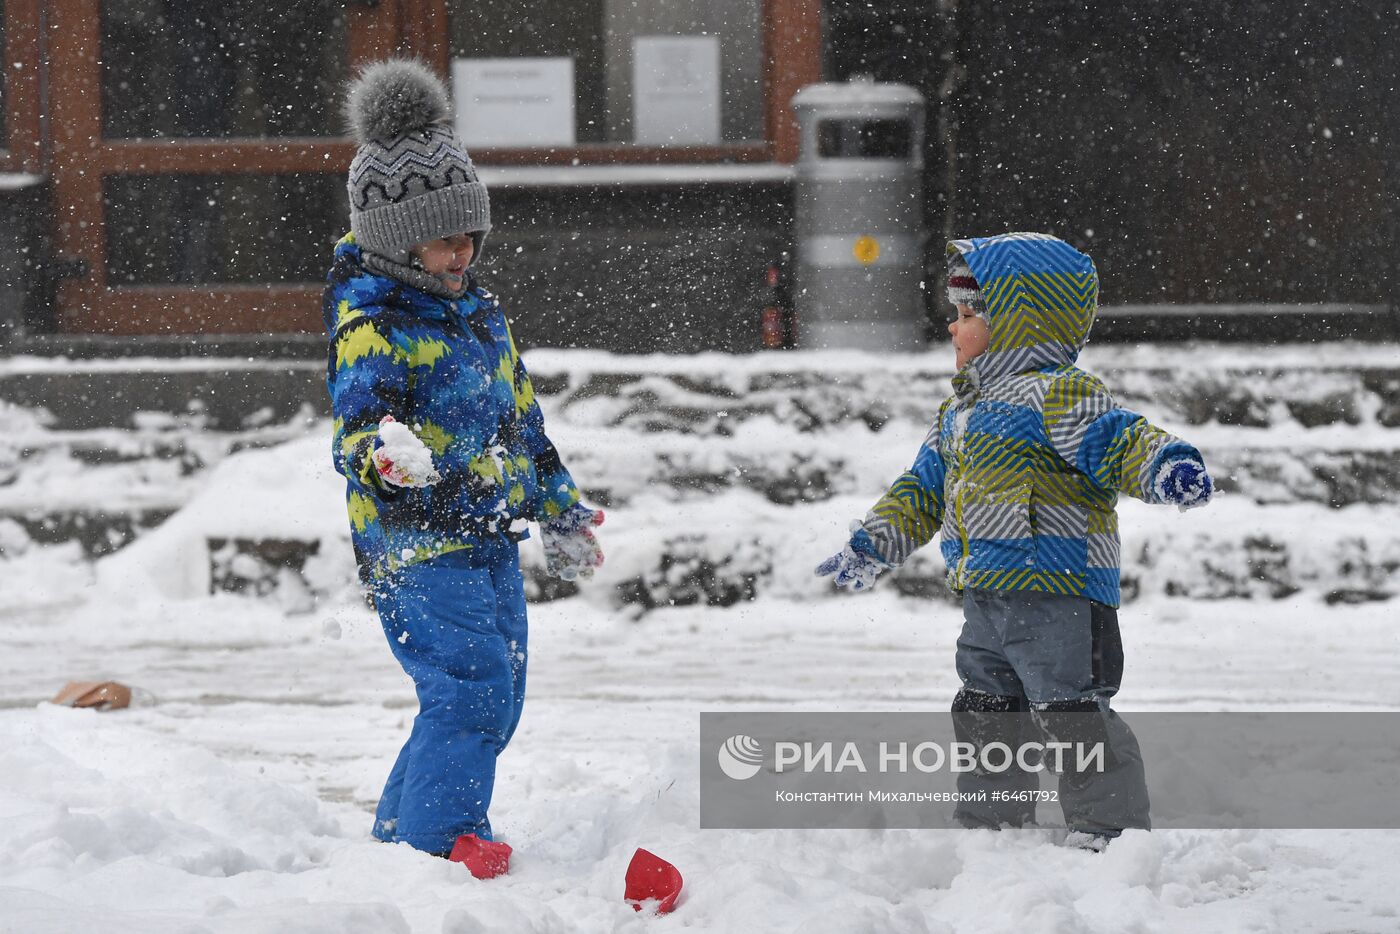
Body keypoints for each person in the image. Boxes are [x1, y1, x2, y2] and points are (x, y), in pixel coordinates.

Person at [816, 233, 1213, 848]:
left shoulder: (1057, 394)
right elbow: (921, 489)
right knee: (985, 711)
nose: (955, 328)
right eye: (955, 314)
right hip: (987, 599)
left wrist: (1164, 465)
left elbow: (1118, 439)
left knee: (1071, 715)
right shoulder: (959, 415)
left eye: (970, 315)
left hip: (1061, 596)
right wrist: (875, 542)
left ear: (1022, 321)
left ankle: (1109, 831)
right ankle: (992, 825)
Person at [323, 59, 604, 862]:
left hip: (485, 534)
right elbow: (353, 439)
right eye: (447, 241)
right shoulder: (373, 326)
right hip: (413, 545)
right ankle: (441, 840)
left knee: (495, 694)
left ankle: (398, 832)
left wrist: (559, 508)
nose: (463, 255)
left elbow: (522, 422)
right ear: (398, 241)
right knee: (469, 688)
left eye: (470, 237)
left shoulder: (476, 315)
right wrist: (385, 456)